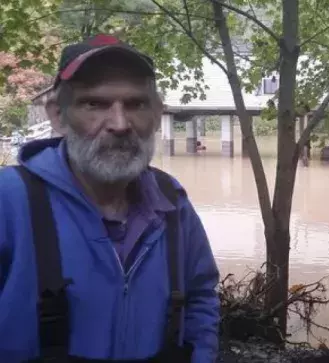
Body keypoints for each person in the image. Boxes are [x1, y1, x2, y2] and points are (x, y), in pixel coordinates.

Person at [0, 34, 220, 362]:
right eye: (95, 104)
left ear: (157, 113)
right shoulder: (9, 201)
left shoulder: (173, 201)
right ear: (58, 115)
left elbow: (201, 298)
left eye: (135, 104)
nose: (119, 124)